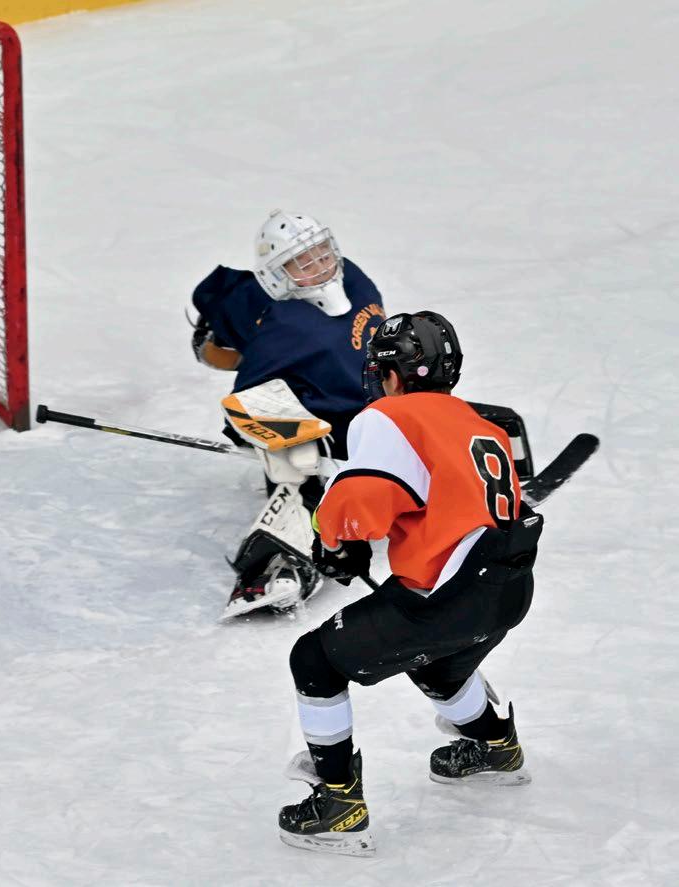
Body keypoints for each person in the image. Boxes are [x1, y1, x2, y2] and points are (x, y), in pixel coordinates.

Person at [277, 311, 541, 856]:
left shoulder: (389, 416)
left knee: (315, 659)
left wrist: (330, 529)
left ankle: (338, 805)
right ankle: (496, 747)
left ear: (393, 375)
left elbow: (362, 507)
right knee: (441, 666)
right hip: (509, 588)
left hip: (446, 594)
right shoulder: (482, 425)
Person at [189, 209, 386, 613]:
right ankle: (275, 566)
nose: (321, 266)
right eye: (303, 262)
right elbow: (247, 402)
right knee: (310, 474)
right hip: (334, 433)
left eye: (322, 252)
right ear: (277, 275)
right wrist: (300, 445)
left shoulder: (354, 277)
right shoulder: (285, 327)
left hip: (380, 408)